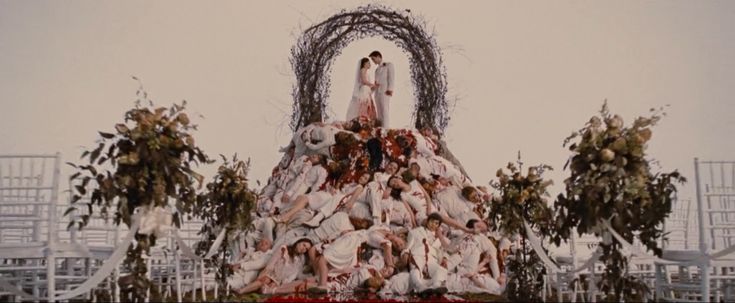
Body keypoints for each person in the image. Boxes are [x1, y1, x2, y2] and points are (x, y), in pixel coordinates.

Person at [233, 238, 313, 294]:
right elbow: (271, 263)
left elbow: (293, 275)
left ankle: (258, 291)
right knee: (265, 280)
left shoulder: (299, 261)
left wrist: (281, 284)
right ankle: (241, 291)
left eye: (306, 249)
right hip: (270, 273)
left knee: (269, 288)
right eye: (304, 245)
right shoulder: (284, 249)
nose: (304, 249)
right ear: (298, 242)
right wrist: (264, 275)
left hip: (279, 281)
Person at [346, 57, 378, 122]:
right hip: (364, 90)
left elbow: (366, 82)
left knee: (368, 106)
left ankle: (366, 120)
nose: (370, 64)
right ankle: (364, 120)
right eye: (368, 63)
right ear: (364, 64)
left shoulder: (366, 72)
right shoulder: (363, 70)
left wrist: (373, 87)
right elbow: (364, 81)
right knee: (364, 105)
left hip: (366, 90)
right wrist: (372, 84)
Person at [369, 51, 395, 127]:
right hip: (377, 93)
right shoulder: (376, 70)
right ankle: (380, 129)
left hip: (385, 92)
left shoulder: (389, 65)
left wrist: (390, 89)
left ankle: (386, 129)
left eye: (373, 59)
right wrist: (370, 92)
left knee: (385, 111)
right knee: (379, 112)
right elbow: (376, 83)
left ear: (378, 56)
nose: (373, 61)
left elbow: (391, 78)